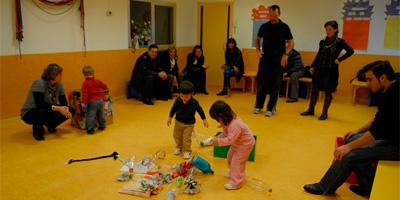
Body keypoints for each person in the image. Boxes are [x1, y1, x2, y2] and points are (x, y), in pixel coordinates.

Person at [303, 61, 399, 197]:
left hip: (396, 147)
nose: (367, 83)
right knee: (351, 139)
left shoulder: (394, 95)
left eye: (370, 79)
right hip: (390, 138)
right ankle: (368, 186)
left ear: (383, 78)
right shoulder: (392, 90)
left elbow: (374, 134)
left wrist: (348, 148)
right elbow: (378, 120)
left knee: (349, 155)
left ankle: (324, 187)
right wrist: (358, 131)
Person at [301, 20, 354, 120]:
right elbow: (319, 55)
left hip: (331, 71)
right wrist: (312, 66)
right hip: (320, 69)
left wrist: (340, 59)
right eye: (326, 29)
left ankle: (324, 113)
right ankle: (311, 110)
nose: (327, 31)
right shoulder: (322, 42)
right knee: (315, 89)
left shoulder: (340, 42)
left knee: (328, 92)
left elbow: (351, 51)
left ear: (336, 29)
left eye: (330, 29)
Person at [254, 5, 294, 117]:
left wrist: (286, 54)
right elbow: (257, 39)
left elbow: (291, 42)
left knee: (275, 85)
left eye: (275, 15)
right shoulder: (264, 26)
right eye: (270, 15)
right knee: (261, 83)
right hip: (265, 59)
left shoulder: (284, 27)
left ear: (279, 14)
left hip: (278, 61)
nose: (273, 18)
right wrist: (258, 50)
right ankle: (258, 106)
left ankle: (271, 108)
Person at [208, 100, 255, 190]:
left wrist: (218, 141)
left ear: (222, 116)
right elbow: (226, 134)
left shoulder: (235, 124)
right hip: (237, 143)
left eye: (217, 119)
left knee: (237, 162)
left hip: (245, 144)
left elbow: (230, 140)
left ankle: (237, 182)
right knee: (229, 156)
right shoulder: (227, 121)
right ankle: (233, 172)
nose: (218, 121)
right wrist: (217, 138)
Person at [21, 63, 75, 141]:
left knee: (71, 110)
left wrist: (66, 110)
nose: (61, 76)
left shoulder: (59, 85)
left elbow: (63, 102)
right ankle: (37, 132)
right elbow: (40, 104)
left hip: (48, 109)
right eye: (60, 74)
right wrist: (59, 109)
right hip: (30, 112)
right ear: (54, 75)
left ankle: (51, 125)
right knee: (40, 112)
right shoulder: (39, 83)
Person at [167, 81, 208, 160]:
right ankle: (179, 147)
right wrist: (170, 117)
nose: (184, 99)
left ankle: (187, 151)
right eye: (182, 96)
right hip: (178, 121)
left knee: (186, 138)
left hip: (189, 124)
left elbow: (200, 110)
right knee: (177, 136)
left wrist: (204, 119)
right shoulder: (178, 100)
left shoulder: (194, 103)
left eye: (186, 97)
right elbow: (173, 109)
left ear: (192, 94)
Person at [81, 65, 108, 134]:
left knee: (91, 115)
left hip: (92, 102)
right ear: (93, 73)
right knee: (101, 114)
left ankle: (90, 129)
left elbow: (85, 94)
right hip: (101, 100)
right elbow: (105, 86)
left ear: (84, 74)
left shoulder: (85, 83)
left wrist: (84, 103)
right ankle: (102, 125)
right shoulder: (97, 81)